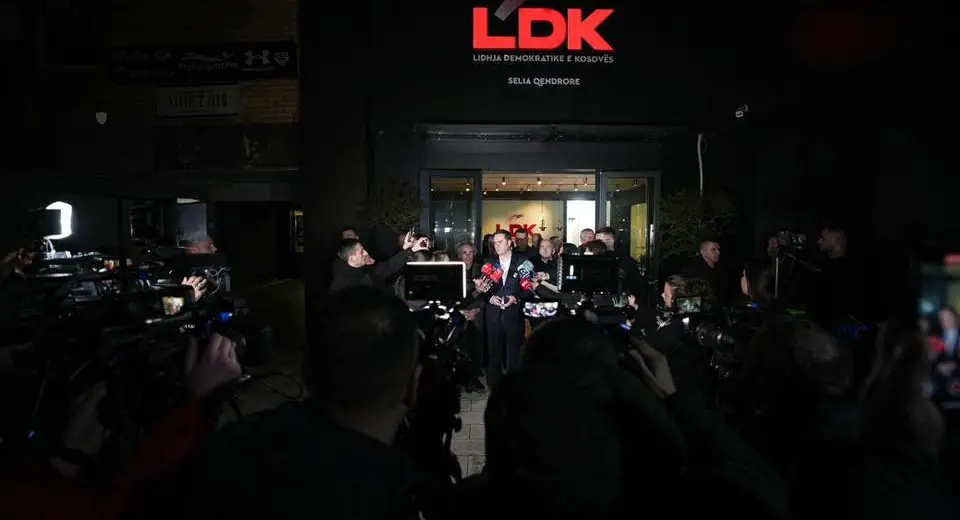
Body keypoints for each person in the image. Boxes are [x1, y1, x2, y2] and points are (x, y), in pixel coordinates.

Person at [177, 287, 423, 519]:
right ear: (415, 384)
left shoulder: (228, 452)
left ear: (304, 371)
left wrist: (198, 403)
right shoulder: (402, 493)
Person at [479, 230, 530, 387]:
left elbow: (529, 289)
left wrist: (516, 298)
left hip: (513, 313)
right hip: (493, 314)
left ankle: (513, 386)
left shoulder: (523, 261)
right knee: (493, 352)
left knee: (514, 352)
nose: (497, 245)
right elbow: (481, 289)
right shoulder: (488, 262)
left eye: (500, 242)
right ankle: (494, 386)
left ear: (509, 243)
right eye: (494, 243)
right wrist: (489, 297)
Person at [329, 232, 429, 293]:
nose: (366, 253)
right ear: (352, 258)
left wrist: (407, 249)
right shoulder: (343, 285)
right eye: (361, 252)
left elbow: (388, 267)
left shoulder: (363, 270)